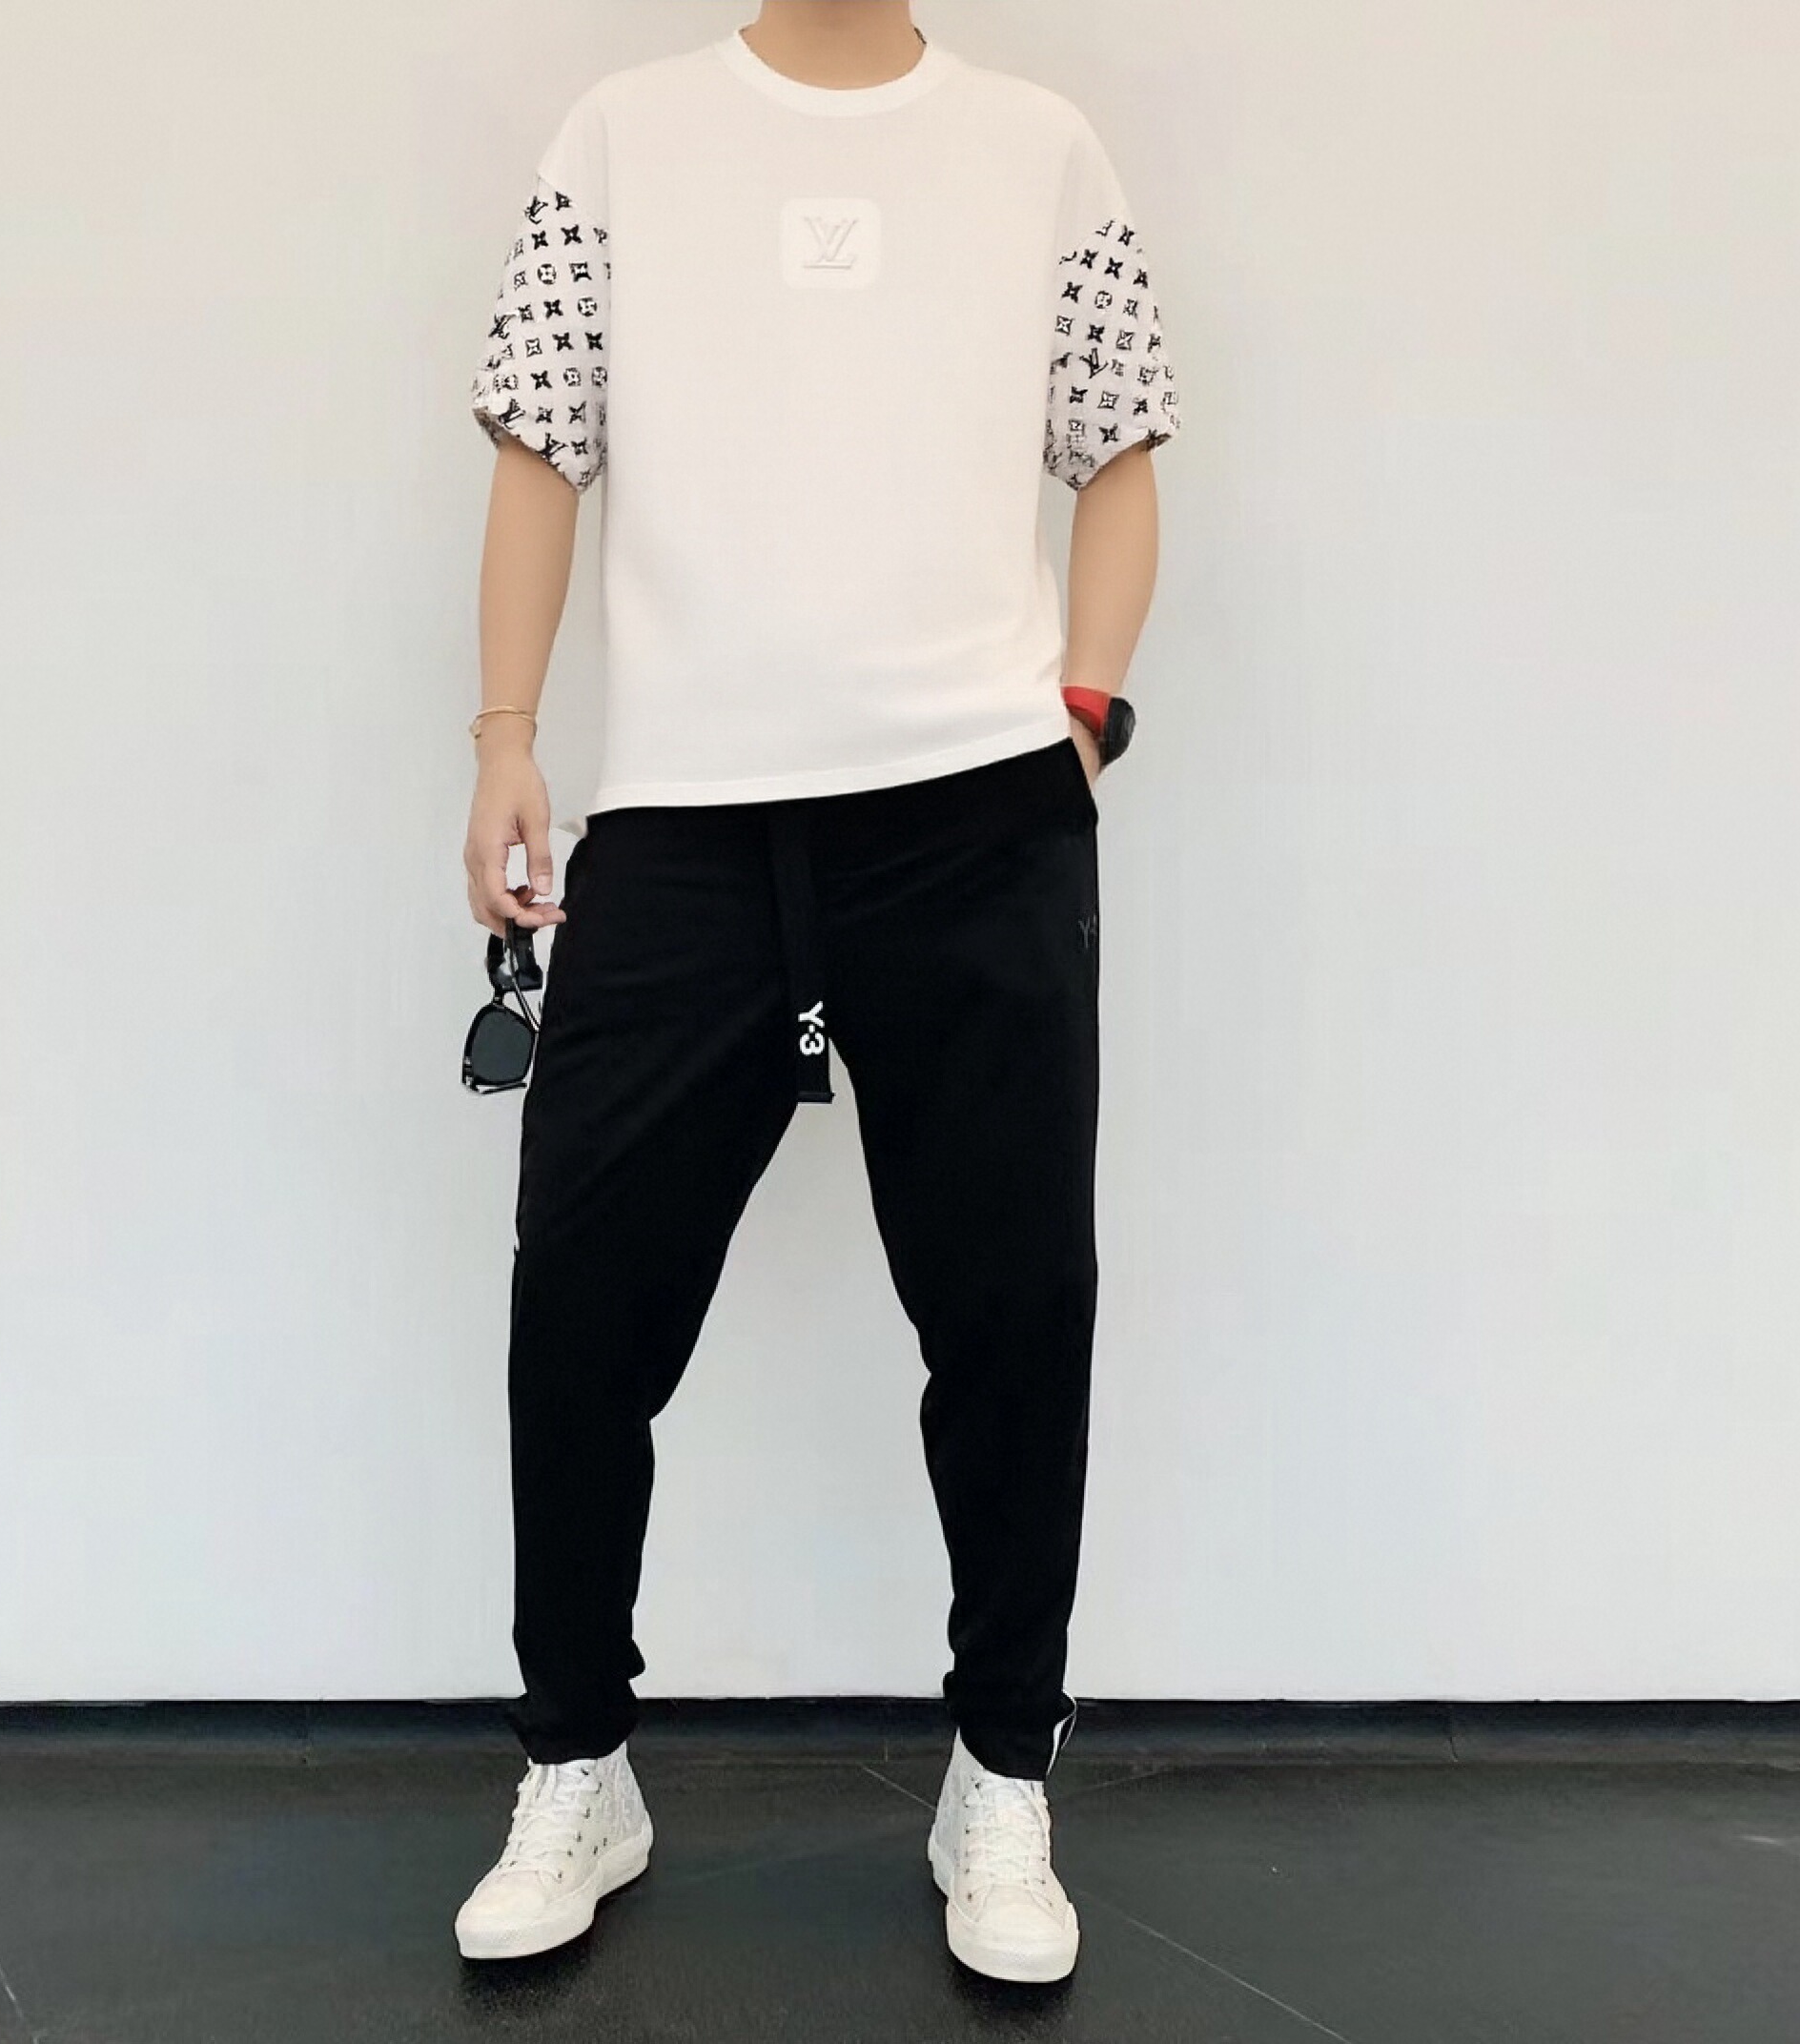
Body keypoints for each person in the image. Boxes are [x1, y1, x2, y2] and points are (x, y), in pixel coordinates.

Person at [452, 0, 1180, 1984]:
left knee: (1012, 1312)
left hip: (976, 814)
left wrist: (1084, 714)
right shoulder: (622, 133)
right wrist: (507, 732)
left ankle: (1000, 1773)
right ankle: (578, 1761)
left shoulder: (1037, 146)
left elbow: (1120, 448)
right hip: (683, 815)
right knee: (578, 1307)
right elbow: (540, 443)